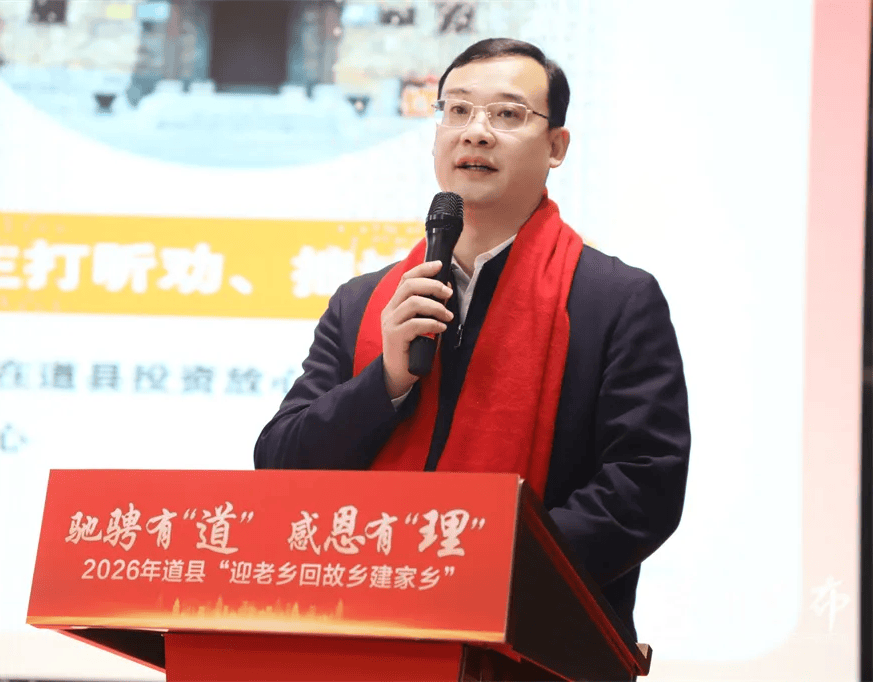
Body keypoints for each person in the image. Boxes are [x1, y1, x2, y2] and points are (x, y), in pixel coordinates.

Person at [254, 38, 690, 640]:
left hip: (533, 642)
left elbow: (643, 486)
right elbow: (281, 466)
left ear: (556, 147)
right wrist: (385, 382)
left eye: (507, 114)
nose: (475, 132)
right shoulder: (363, 303)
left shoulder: (614, 301)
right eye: (457, 110)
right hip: (363, 638)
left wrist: (482, 574)